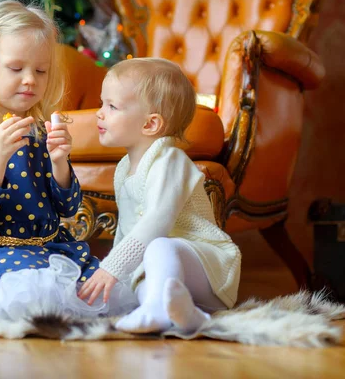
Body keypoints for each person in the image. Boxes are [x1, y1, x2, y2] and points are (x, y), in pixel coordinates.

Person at [0, 0, 136, 321]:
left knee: (92, 290)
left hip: (51, 249)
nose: (30, 80)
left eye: (40, 71)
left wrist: (60, 163)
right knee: (27, 289)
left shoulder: (42, 132)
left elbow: (67, 207)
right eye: (15, 68)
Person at [78, 58, 242, 333]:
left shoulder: (170, 160)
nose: (99, 113)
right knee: (138, 282)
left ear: (151, 124)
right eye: (101, 103)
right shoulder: (123, 170)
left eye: (112, 106)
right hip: (168, 276)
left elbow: (157, 222)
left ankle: (158, 307)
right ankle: (185, 315)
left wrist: (113, 266)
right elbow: (128, 231)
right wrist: (118, 278)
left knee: (159, 246)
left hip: (208, 268)